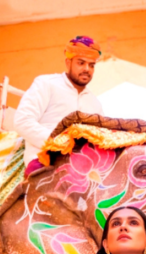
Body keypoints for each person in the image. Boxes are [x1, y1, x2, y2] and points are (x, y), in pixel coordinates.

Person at [14, 35, 103, 175]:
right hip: (44, 161)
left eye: (91, 65)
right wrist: (58, 144)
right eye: (81, 63)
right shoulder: (46, 84)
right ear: (68, 63)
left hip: (83, 169)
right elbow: (23, 121)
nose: (87, 69)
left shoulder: (95, 103)